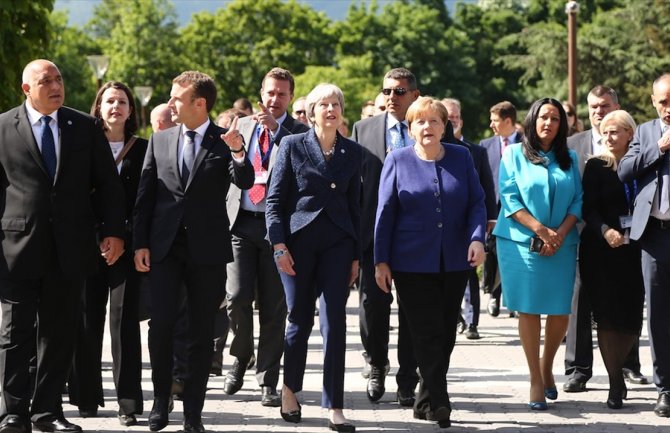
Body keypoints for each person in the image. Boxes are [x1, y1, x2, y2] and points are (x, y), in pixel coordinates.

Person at [0, 59, 125, 433]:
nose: (56, 86)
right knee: (14, 334)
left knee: (58, 333)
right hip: (15, 248)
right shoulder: (3, 127)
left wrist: (114, 230)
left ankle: (47, 412)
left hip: (70, 248)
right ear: (27, 89)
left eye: (59, 78)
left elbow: (108, 185)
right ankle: (13, 413)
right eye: (46, 81)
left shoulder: (84, 127)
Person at [133, 70, 254, 433]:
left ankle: (193, 414)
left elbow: (245, 181)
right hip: (165, 249)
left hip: (207, 252)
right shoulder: (160, 139)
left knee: (202, 334)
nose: (171, 104)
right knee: (161, 327)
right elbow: (145, 197)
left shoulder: (225, 140)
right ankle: (159, 403)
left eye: (177, 98)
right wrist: (140, 243)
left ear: (199, 104)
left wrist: (237, 150)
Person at [375, 96, 486, 427]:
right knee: (425, 333)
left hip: (454, 260)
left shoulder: (461, 157)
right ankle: (440, 401)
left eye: (434, 121)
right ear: (410, 129)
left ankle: (425, 398)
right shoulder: (396, 160)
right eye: (420, 122)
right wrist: (381, 261)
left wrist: (477, 238)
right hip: (409, 263)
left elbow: (477, 203)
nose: (427, 127)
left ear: (444, 126)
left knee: (446, 334)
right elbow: (384, 214)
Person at [266, 83, 360, 432]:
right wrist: (278, 245)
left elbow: (356, 207)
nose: (331, 109)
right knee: (299, 318)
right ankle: (289, 389)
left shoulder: (353, 152)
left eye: (336, 103)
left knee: (334, 321)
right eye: (324, 104)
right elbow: (274, 202)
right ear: (311, 111)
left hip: (338, 245)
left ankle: (335, 404)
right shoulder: (292, 144)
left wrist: (356, 256)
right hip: (297, 245)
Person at [224, 67, 309, 407]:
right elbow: (229, 172)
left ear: (290, 97)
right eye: (270, 93)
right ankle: (241, 354)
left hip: (278, 230)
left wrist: (279, 133)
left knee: (274, 309)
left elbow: (303, 173)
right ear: (261, 93)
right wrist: (235, 151)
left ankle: (268, 379)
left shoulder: (300, 132)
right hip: (241, 222)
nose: (275, 100)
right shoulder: (241, 126)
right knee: (236, 296)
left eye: (282, 95)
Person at [493, 98, 582, 410]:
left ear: (562, 125)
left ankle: (547, 366)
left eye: (555, 119)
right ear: (532, 120)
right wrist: (542, 231)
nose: (549, 123)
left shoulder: (569, 157)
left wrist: (559, 234)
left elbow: (578, 201)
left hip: (562, 243)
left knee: (560, 311)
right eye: (543, 117)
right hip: (520, 243)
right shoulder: (513, 153)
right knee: (529, 310)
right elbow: (509, 197)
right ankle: (534, 377)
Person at [68, 82, 147, 426]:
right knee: (86, 321)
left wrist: (128, 239)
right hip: (87, 243)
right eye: (109, 100)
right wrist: (99, 235)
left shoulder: (145, 149)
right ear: (98, 106)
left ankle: (128, 403)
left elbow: (148, 202)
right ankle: (86, 396)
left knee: (124, 323)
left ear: (132, 110)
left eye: (123, 102)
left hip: (127, 247)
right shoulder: (80, 145)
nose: (116, 106)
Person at [563, 86, 648, 393]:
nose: (598, 112)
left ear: (617, 106)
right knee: (582, 301)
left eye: (605, 106)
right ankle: (577, 368)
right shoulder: (575, 144)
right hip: (588, 236)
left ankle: (629, 366)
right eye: (594, 107)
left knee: (628, 303)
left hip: (632, 242)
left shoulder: (641, 155)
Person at [351, 67, 420, 407]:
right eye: (388, 90)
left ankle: (408, 378)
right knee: (372, 306)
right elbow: (353, 186)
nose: (392, 97)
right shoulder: (363, 130)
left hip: (415, 235)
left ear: (415, 96)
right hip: (373, 234)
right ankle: (377, 364)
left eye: (400, 91)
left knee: (411, 309)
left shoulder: (429, 125)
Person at [580, 110, 645, 409]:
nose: (609, 136)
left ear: (630, 133)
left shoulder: (643, 164)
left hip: (636, 249)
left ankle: (619, 372)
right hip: (601, 249)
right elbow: (588, 208)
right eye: (605, 131)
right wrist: (606, 231)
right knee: (606, 317)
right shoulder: (595, 166)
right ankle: (615, 382)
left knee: (630, 318)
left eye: (616, 130)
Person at [618, 73, 670, 418]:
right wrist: (660, 148)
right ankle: (665, 388)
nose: (668, 108)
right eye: (663, 101)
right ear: (653, 102)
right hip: (655, 235)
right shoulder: (647, 133)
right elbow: (625, 170)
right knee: (660, 316)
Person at [441, 98, 497, 340]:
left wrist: (490, 221)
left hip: (469, 226)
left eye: (454, 117)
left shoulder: (476, 152)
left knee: (469, 274)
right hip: (442, 227)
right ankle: (456, 318)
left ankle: (472, 321)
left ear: (460, 121)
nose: (451, 121)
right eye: (447, 118)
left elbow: (486, 188)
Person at [480, 101, 523, 318]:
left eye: (495, 120)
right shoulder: (485, 145)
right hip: (494, 208)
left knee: (516, 252)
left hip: (520, 208)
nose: (491, 125)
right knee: (494, 253)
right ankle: (493, 293)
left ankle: (513, 296)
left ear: (508, 121)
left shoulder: (527, 143)